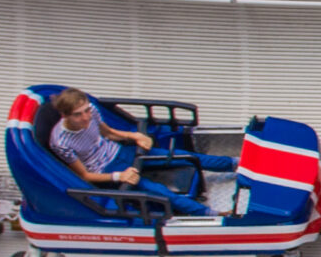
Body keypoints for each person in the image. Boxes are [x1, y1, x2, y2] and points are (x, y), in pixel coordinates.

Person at [48, 87, 231, 217]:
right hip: (107, 171)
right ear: (65, 116)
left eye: (86, 110)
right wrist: (119, 177)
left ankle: (236, 164)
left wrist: (135, 136)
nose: (86, 117)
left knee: (186, 157)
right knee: (159, 191)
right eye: (78, 114)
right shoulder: (61, 142)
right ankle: (212, 214)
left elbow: (109, 133)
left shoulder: (92, 111)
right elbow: (85, 176)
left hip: (121, 152)